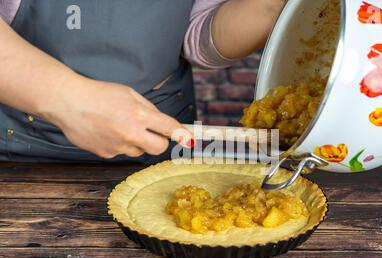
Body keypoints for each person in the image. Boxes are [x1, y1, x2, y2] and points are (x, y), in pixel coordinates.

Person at [0, 0, 286, 163]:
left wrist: (272, 6)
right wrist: (69, 100)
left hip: (161, 149)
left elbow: (200, 38)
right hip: (21, 154)